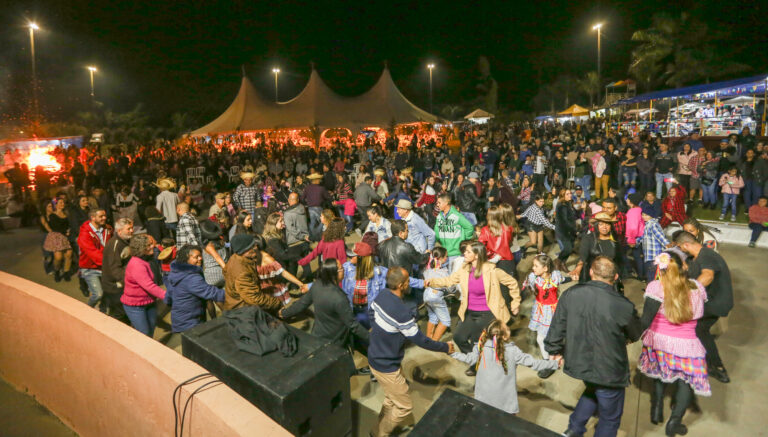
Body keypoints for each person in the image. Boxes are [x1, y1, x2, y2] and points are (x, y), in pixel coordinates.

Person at [546, 256, 641, 437]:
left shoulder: (571, 294)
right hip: (609, 368)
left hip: (579, 361)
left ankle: (574, 428)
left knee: (593, 389)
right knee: (610, 416)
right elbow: (635, 333)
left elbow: (557, 324)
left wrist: (554, 350)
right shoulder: (623, 305)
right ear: (615, 277)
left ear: (590, 272)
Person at [367, 267, 453, 437]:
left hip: (376, 356)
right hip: (386, 365)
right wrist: (445, 347)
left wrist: (385, 335)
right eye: (408, 281)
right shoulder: (402, 313)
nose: (409, 284)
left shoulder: (382, 295)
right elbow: (420, 340)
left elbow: (371, 314)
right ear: (401, 285)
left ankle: (377, 428)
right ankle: (380, 434)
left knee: (392, 398)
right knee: (404, 407)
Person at [638, 252, 711, 437]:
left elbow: (646, 319)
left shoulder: (655, 287)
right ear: (683, 267)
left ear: (659, 269)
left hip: (658, 340)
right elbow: (700, 314)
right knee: (686, 382)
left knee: (660, 372)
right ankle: (674, 422)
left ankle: (656, 408)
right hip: (687, 344)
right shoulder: (697, 288)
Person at [427, 241, 521, 376]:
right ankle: (478, 360)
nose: (464, 253)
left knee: (478, 341)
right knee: (459, 337)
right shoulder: (464, 270)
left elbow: (512, 283)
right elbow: (448, 281)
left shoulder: (493, 271)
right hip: (470, 312)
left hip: (489, 313)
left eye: (468, 252)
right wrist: (431, 282)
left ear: (477, 255)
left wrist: (515, 302)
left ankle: (482, 365)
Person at [449, 319, 559, 415]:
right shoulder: (513, 351)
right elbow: (535, 364)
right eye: (507, 328)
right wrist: (554, 363)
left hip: (483, 397)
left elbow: (468, 358)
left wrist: (452, 353)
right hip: (505, 402)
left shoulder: (481, 347)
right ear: (505, 336)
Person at [280, 258, 370, 374]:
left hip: (319, 333)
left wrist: (284, 313)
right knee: (337, 363)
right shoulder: (339, 298)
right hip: (337, 337)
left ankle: (350, 371)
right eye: (341, 268)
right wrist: (372, 339)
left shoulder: (317, 285)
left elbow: (301, 304)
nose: (344, 270)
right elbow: (353, 325)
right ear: (334, 273)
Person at [674, 231, 734, 384]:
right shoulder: (698, 257)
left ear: (686, 244)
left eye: (681, 247)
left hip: (715, 303)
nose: (681, 250)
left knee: (690, 326)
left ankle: (713, 366)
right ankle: (715, 366)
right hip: (713, 302)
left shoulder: (707, 255)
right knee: (700, 330)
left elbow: (707, 276)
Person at [523, 254, 570, 375]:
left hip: (553, 310)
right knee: (542, 337)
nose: (533, 268)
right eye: (533, 265)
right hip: (540, 310)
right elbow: (526, 287)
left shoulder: (555, 276)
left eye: (536, 266)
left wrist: (573, 277)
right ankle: (549, 361)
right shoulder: (533, 278)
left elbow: (563, 280)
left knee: (544, 337)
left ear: (545, 268)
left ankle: (550, 362)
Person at [164, 244, 226, 333]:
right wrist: (232, 295)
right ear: (186, 258)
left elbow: (169, 295)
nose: (200, 259)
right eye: (196, 257)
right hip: (190, 321)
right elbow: (211, 292)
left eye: (200, 256)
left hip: (181, 318)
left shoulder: (176, 272)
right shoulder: (191, 278)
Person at [222, 234, 282, 314]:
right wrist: (277, 303)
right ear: (245, 251)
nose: (256, 247)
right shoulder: (242, 272)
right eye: (253, 246)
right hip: (242, 312)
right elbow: (254, 298)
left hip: (242, 307)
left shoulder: (235, 258)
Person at [121, 234, 166, 337]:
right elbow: (149, 285)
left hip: (149, 302)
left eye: (151, 244)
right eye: (148, 245)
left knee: (150, 330)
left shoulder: (145, 259)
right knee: (144, 334)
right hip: (135, 306)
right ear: (140, 248)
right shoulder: (137, 264)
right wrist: (166, 295)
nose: (152, 246)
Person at [571, 212, 624, 285]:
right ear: (596, 226)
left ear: (611, 226)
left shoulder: (615, 240)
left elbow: (619, 260)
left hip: (609, 278)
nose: (604, 227)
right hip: (593, 277)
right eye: (601, 224)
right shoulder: (588, 238)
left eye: (607, 224)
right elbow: (583, 258)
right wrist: (578, 268)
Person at [100, 218, 134, 322]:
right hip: (114, 286)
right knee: (119, 313)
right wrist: (127, 282)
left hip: (119, 285)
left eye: (132, 228)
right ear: (119, 231)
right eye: (129, 229)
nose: (132, 230)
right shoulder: (115, 244)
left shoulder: (124, 241)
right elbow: (114, 268)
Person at [78, 209, 112, 309]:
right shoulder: (84, 234)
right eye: (101, 216)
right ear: (93, 218)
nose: (104, 218)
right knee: (98, 294)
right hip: (90, 268)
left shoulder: (107, 229)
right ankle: (89, 309)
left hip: (103, 266)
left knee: (107, 293)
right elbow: (93, 253)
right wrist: (111, 263)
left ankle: (102, 311)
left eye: (105, 215)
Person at [422, 246, 457, 341]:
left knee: (433, 317)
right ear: (440, 258)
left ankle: (428, 340)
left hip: (426, 294)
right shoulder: (443, 272)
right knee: (446, 321)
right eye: (446, 256)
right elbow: (450, 289)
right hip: (436, 296)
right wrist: (455, 286)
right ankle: (434, 343)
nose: (447, 258)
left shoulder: (427, 269)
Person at [433, 193, 475, 264]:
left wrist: (464, 240)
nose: (437, 205)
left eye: (439, 203)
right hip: (443, 253)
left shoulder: (457, 215)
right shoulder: (439, 216)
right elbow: (436, 229)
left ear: (446, 203)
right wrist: (438, 239)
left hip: (455, 253)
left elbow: (469, 227)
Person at [43, 199, 73, 282]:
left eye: (63, 202)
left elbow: (69, 224)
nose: (62, 204)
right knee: (58, 257)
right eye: (60, 203)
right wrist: (65, 231)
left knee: (69, 254)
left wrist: (69, 230)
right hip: (57, 237)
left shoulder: (66, 214)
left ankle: (66, 272)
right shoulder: (52, 215)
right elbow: (55, 227)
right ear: (55, 205)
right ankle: (57, 271)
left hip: (66, 236)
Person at [301, 172, 332, 241]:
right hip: (319, 207)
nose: (320, 180)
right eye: (319, 179)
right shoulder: (321, 188)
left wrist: (307, 202)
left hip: (310, 208)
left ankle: (313, 236)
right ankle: (318, 236)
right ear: (316, 180)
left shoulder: (307, 188)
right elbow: (328, 197)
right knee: (322, 222)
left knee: (312, 222)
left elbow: (302, 198)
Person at [199, 220, 227, 287]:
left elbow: (217, 257)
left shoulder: (208, 246)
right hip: (223, 274)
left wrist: (226, 269)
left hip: (212, 275)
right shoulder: (221, 242)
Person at [554, 189, 578, 265]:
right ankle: (557, 262)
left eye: (570, 193)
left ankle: (563, 264)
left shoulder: (568, 203)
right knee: (568, 249)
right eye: (567, 194)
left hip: (569, 230)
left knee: (570, 248)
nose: (570, 195)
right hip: (564, 231)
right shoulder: (562, 205)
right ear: (563, 196)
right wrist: (574, 229)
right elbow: (564, 221)